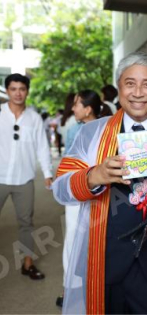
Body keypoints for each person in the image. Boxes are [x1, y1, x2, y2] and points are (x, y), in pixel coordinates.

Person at [52, 52, 147, 314]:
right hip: (103, 260)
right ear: (119, 87)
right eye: (130, 83)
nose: (138, 92)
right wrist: (93, 176)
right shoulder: (92, 133)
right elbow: (60, 188)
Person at [0, 73, 53, 280]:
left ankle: (28, 263)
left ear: (27, 91)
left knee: (26, 222)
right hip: (0, 176)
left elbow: (42, 147)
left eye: (22, 89)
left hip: (24, 178)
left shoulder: (34, 118)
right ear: (7, 91)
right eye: (13, 89)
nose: (18, 93)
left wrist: (48, 173)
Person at [56, 89, 104, 307]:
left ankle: (84, 290)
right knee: (75, 240)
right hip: (79, 192)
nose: (73, 108)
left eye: (77, 104)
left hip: (97, 192)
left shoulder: (101, 130)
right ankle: (73, 291)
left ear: (88, 109)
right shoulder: (76, 129)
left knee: (86, 240)